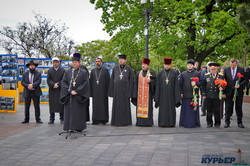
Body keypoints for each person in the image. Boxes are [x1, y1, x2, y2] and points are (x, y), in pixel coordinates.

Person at [60, 53, 90, 132]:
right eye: (73, 62)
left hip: (79, 96)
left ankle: (79, 127)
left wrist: (77, 91)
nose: (74, 64)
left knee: (78, 112)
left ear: (79, 63)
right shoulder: (67, 72)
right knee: (69, 112)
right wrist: (69, 90)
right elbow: (64, 82)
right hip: (69, 95)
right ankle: (69, 127)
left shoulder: (83, 72)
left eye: (76, 62)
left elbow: (86, 83)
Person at [108, 54, 134, 126]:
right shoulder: (115, 68)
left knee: (125, 106)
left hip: (125, 91)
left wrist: (130, 92)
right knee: (116, 106)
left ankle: (125, 122)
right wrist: (111, 91)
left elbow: (131, 81)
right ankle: (115, 121)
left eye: (122, 59)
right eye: (119, 59)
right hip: (116, 91)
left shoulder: (129, 69)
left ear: (125, 60)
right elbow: (112, 79)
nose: (120, 61)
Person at [155, 57, 181, 127]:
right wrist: (157, 96)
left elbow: (176, 86)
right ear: (164, 65)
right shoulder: (160, 73)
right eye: (166, 64)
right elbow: (158, 86)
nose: (167, 66)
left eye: (168, 65)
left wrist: (177, 97)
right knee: (163, 110)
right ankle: (162, 123)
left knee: (171, 109)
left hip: (171, 95)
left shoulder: (174, 73)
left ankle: (171, 123)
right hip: (162, 96)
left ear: (171, 65)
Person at [223, 59, 247, 128]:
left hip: (238, 92)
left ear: (236, 64)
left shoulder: (241, 70)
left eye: (233, 65)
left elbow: (245, 80)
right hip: (229, 91)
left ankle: (240, 122)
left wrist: (240, 84)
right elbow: (224, 80)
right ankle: (227, 122)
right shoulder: (226, 70)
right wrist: (223, 91)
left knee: (239, 107)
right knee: (228, 107)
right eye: (231, 65)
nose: (232, 66)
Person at [132, 58, 156, 126]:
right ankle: (139, 122)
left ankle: (148, 123)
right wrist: (134, 95)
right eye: (142, 64)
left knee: (148, 109)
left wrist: (150, 81)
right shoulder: (138, 73)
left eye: (145, 64)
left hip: (148, 95)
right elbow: (135, 84)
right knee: (139, 108)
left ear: (148, 65)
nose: (143, 66)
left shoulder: (151, 73)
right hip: (139, 95)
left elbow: (155, 83)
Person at [179, 59, 201, 128]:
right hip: (185, 95)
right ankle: (184, 123)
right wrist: (181, 92)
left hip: (194, 95)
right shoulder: (183, 73)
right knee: (185, 110)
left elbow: (202, 83)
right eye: (188, 65)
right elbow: (180, 84)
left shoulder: (197, 73)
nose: (189, 66)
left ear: (193, 66)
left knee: (193, 110)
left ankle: (194, 123)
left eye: (191, 65)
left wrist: (196, 83)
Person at [202, 63, 224, 128]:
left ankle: (217, 123)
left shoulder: (221, 76)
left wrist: (222, 88)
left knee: (217, 110)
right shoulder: (206, 75)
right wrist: (204, 93)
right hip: (208, 95)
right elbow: (203, 85)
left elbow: (224, 84)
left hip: (217, 95)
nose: (213, 70)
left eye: (214, 69)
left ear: (217, 69)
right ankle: (209, 123)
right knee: (209, 110)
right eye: (211, 69)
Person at [89, 57, 110, 125]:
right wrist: (91, 93)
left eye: (99, 61)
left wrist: (108, 92)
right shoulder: (92, 71)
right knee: (95, 106)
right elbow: (91, 82)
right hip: (95, 92)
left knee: (103, 105)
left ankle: (104, 120)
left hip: (103, 91)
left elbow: (108, 82)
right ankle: (95, 120)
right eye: (96, 61)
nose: (97, 63)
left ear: (101, 62)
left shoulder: (105, 70)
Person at [47, 57, 65, 124]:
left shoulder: (62, 70)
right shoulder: (50, 70)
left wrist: (59, 84)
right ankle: (52, 118)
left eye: (56, 62)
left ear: (59, 63)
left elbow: (64, 79)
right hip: (52, 90)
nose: (55, 63)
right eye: (54, 62)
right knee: (52, 105)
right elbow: (48, 80)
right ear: (52, 63)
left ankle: (62, 118)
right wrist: (53, 84)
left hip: (60, 90)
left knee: (61, 104)